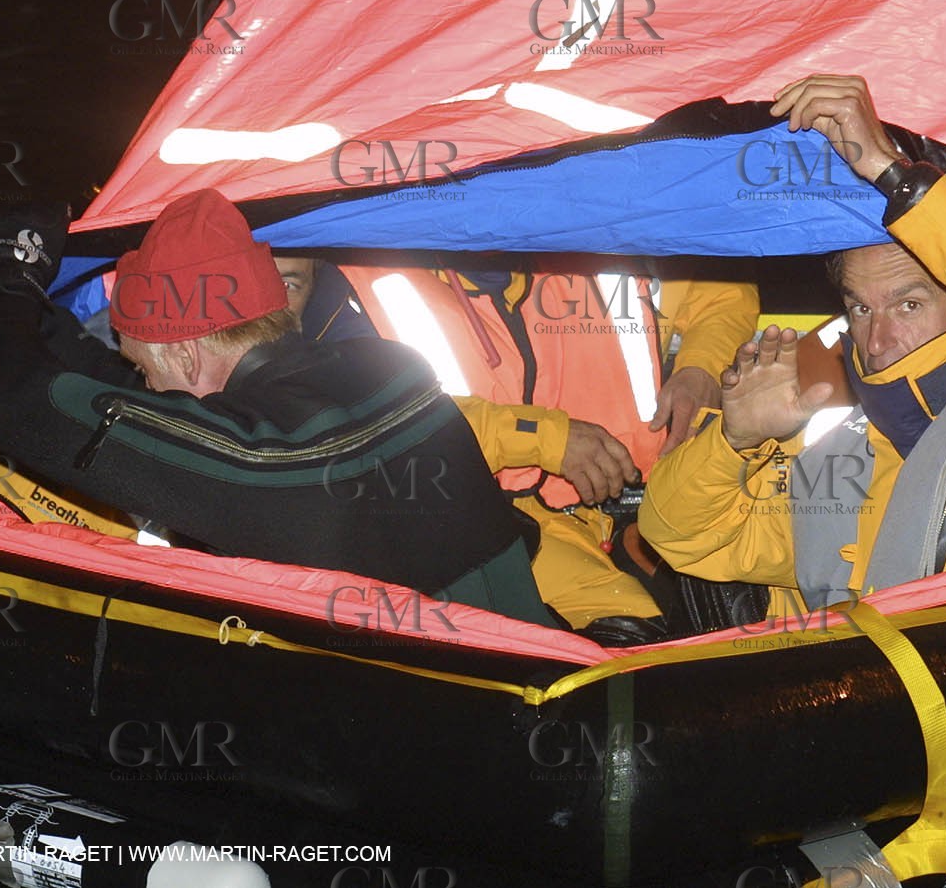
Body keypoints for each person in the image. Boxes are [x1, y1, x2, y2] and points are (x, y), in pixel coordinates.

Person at [0, 190, 551, 625]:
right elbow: (124, 392)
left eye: (143, 369)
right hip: (534, 658)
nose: (142, 385)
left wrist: (13, 268)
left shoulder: (252, 460)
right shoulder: (394, 367)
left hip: (438, 737)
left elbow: (5, 403)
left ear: (187, 356)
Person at [638, 75, 946, 617]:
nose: (876, 339)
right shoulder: (826, 444)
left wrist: (889, 169)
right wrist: (734, 442)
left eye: (908, 305)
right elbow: (681, 535)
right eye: (861, 307)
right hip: (854, 693)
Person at [277, 254, 757, 640]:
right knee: (629, 640)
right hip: (501, 522)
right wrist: (547, 440)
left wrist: (701, 368)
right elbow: (370, 414)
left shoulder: (601, 226)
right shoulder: (357, 279)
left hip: (657, 494)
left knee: (752, 611)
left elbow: (721, 287)